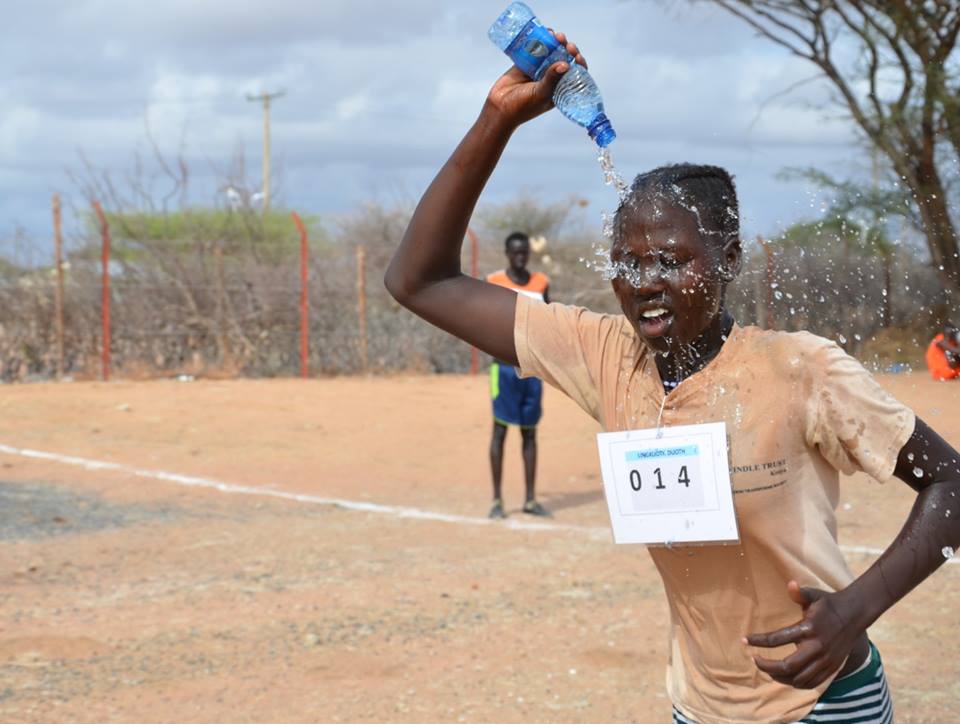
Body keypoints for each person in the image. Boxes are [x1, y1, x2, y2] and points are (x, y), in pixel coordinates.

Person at [383, 31, 960, 724]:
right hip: (698, 705)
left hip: (822, 701)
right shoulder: (604, 355)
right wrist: (497, 118)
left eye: (672, 262)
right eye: (627, 264)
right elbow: (418, 280)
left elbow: (952, 481)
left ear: (730, 258)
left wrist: (853, 610)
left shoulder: (797, 367)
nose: (644, 284)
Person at [485, 231, 551, 519]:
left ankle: (530, 499)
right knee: (499, 431)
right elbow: (481, 320)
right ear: (507, 253)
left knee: (530, 433)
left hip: (532, 370)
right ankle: (497, 500)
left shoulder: (541, 284)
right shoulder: (494, 282)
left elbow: (548, 322)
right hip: (503, 369)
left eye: (525, 251)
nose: (521, 255)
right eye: (515, 251)